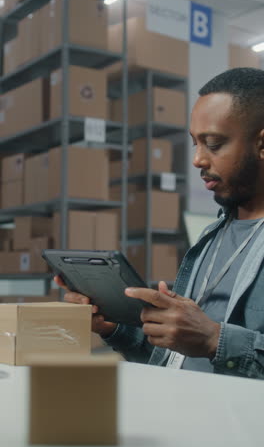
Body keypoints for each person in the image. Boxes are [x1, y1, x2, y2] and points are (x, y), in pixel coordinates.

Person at [55, 67, 264, 379]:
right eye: (195, 143)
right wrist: (115, 329)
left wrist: (213, 339)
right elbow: (176, 359)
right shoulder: (210, 238)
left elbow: (210, 346)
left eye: (214, 143)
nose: (198, 159)